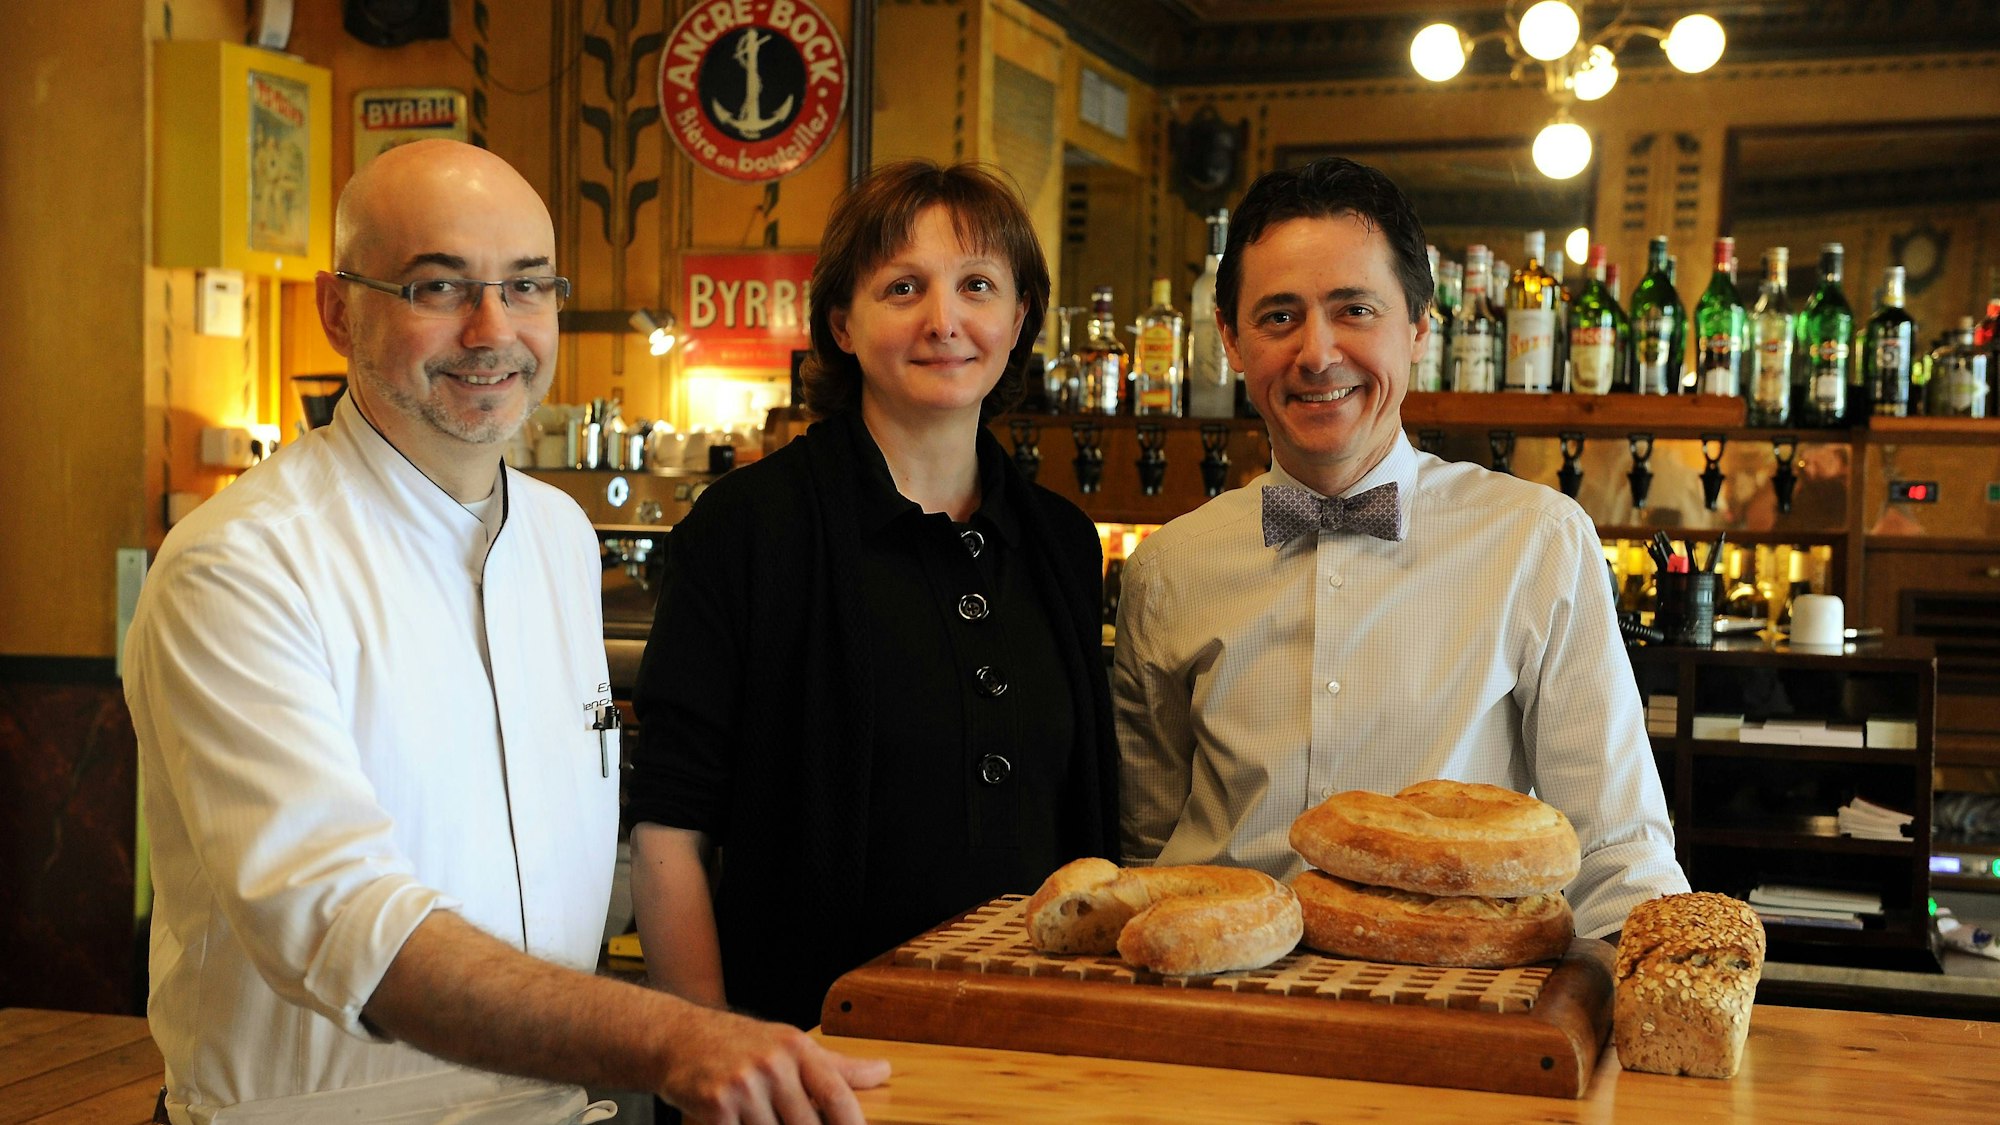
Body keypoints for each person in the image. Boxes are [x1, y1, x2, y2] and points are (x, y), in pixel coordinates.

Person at [124, 139, 887, 1124]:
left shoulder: (560, 538)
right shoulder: (240, 563)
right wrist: (675, 1036)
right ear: (336, 307)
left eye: (526, 289)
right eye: (437, 287)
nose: (492, 331)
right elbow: (337, 922)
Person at [1113, 157, 1688, 940]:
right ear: (1230, 340)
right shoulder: (1168, 567)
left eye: (1355, 309)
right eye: (1279, 316)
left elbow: (1619, 848)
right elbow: (1149, 849)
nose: (1317, 353)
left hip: (1456, 1007)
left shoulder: (1536, 540)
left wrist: (1644, 1012)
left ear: (1420, 326)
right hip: (1220, 1001)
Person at [629, 160, 1118, 1030]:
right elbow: (671, 828)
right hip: (806, 1053)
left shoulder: (1061, 541)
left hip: (1042, 1042)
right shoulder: (748, 528)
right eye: (903, 287)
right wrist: (712, 1055)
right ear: (842, 326)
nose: (945, 321)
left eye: (977, 285)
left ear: (1020, 319)